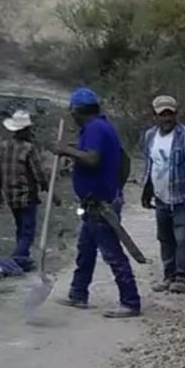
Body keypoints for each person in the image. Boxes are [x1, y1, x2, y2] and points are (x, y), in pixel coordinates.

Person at [55, 87, 141, 318]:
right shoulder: (99, 128)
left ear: (78, 111)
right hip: (95, 202)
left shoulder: (94, 129)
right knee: (86, 249)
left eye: (72, 111)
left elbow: (92, 158)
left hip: (101, 204)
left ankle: (130, 301)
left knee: (112, 252)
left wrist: (66, 151)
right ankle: (78, 293)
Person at [141, 95, 185, 294]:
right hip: (161, 197)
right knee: (165, 238)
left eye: (170, 114)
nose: (166, 118)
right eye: (162, 115)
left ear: (176, 114)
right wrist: (147, 191)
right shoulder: (150, 136)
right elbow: (150, 165)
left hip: (181, 197)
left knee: (183, 238)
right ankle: (169, 275)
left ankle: (182, 277)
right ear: (155, 116)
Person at [0, 110, 50, 272]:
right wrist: (48, 190)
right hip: (26, 195)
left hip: (10, 195)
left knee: (20, 227)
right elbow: (38, 173)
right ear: (25, 130)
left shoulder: (3, 147)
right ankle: (15, 262)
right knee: (27, 231)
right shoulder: (29, 148)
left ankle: (23, 260)